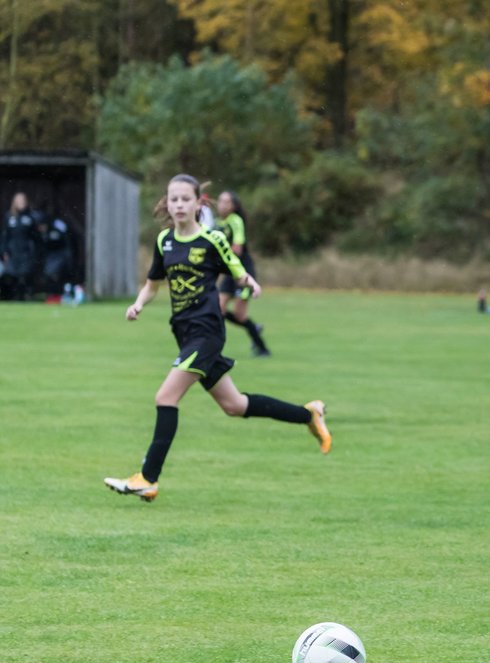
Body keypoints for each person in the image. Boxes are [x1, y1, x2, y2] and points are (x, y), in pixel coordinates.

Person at [104, 174, 331, 503]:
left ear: (199, 203)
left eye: (185, 198)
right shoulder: (164, 241)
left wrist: (249, 283)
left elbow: (237, 269)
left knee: (165, 397)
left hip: (207, 332)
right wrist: (138, 304)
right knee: (234, 405)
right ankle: (308, 414)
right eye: (173, 199)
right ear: (167, 203)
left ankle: (147, 478)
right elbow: (153, 284)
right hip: (183, 333)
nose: (179, 204)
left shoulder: (212, 240)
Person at [214, 190, 271, 356]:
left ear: (234, 206)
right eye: (220, 201)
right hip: (228, 271)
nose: (222, 205)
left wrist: (218, 257)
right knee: (218, 309)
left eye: (226, 202)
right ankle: (253, 327)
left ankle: (262, 348)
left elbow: (237, 250)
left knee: (239, 315)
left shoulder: (235, 221)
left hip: (242, 271)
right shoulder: (217, 223)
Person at [1, 192, 41, 301]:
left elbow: (36, 238)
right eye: (19, 201)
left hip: (26, 252)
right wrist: (4, 251)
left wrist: (35, 253)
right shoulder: (9, 217)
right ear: (14, 202)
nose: (21, 203)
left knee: (25, 276)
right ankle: (12, 298)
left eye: (23, 200)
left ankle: (25, 297)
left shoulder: (31, 217)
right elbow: (5, 236)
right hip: (13, 252)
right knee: (11, 277)